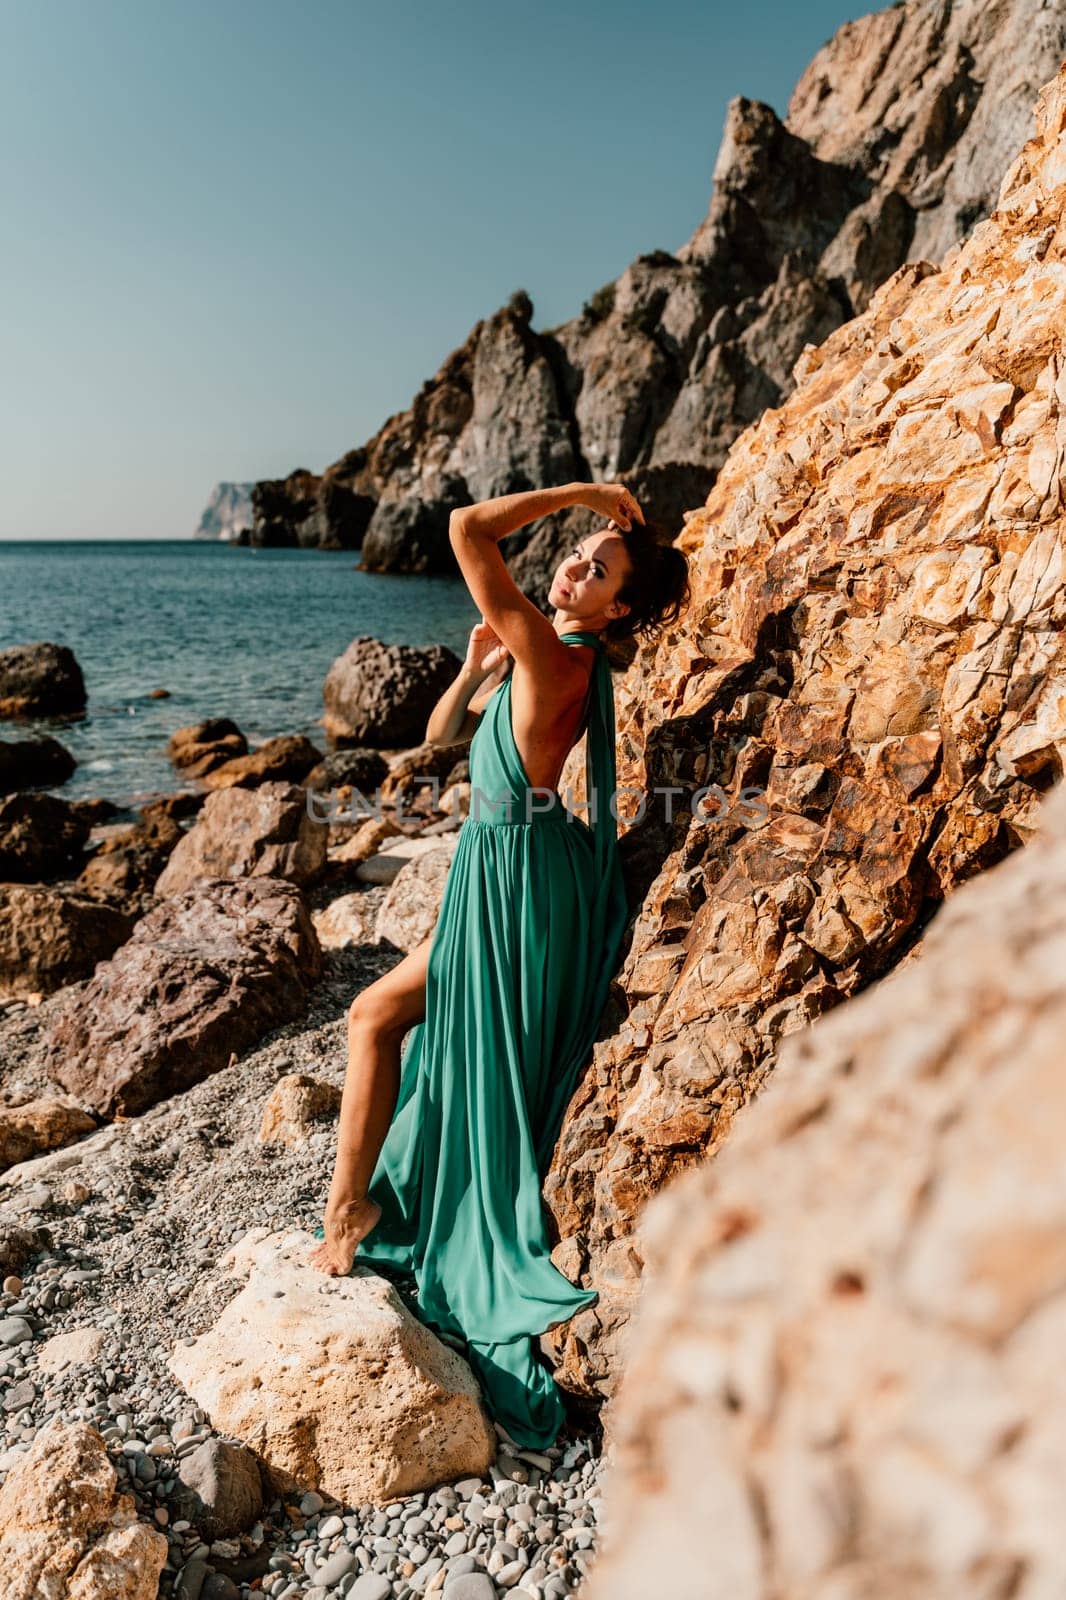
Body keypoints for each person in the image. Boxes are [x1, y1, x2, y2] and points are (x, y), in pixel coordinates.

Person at [309, 480, 691, 1448]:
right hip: (506, 862)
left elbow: (465, 526)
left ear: (621, 610)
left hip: (514, 876)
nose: (572, 563)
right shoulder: (537, 649)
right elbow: (438, 743)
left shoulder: (550, 646)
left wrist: (587, 492)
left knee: (374, 1018)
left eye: (597, 567)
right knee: (388, 1019)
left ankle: (347, 1215)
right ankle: (355, 1207)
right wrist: (474, 668)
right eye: (574, 549)